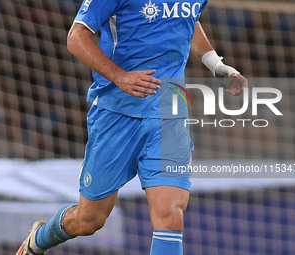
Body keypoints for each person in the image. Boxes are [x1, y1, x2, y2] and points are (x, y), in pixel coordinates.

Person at [16, 0, 247, 254]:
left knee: (170, 215)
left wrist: (216, 64)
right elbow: (76, 37)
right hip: (116, 114)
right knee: (89, 220)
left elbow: (186, 18)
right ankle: (39, 239)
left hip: (168, 113)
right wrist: (119, 76)